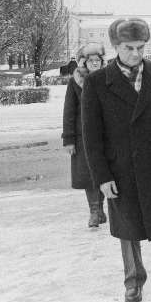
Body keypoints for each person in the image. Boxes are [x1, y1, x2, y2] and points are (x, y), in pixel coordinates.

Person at [82, 18, 151, 302]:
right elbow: (91, 136)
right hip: (120, 170)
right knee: (128, 231)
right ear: (115, 46)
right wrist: (102, 177)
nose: (136, 53)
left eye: (140, 47)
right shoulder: (97, 81)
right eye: (129, 47)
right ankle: (133, 282)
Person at [62, 43, 107, 228]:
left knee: (104, 172)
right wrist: (69, 139)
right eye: (91, 60)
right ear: (84, 63)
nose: (95, 63)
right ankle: (94, 212)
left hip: (105, 134)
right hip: (82, 136)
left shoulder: (109, 78)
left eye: (98, 60)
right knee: (89, 174)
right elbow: (69, 111)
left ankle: (102, 208)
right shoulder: (75, 81)